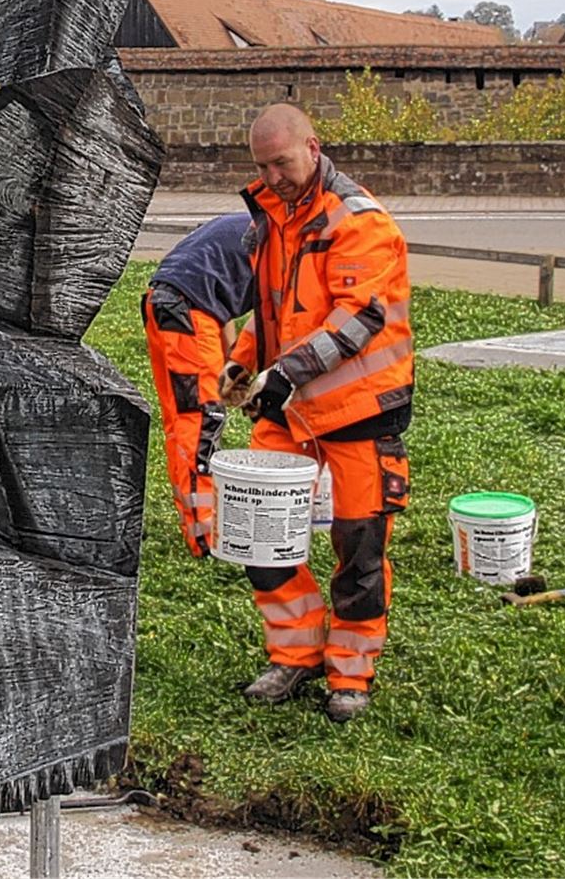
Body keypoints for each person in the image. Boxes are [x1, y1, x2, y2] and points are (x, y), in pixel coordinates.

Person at [220, 103, 413, 723]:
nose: (271, 176)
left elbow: (357, 319)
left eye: (280, 163)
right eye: (261, 166)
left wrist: (283, 375)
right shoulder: (275, 218)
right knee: (262, 533)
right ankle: (293, 654)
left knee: (359, 546)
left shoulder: (359, 222)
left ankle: (350, 675)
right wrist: (243, 363)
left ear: (313, 147)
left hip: (360, 408)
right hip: (290, 406)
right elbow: (277, 310)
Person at [142, 213, 253, 558]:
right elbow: (272, 321)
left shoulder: (245, 225)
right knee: (201, 422)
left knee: (182, 423)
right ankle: (205, 536)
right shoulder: (286, 241)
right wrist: (251, 378)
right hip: (189, 314)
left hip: (163, 302)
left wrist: (231, 368)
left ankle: (195, 523)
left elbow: (222, 303)